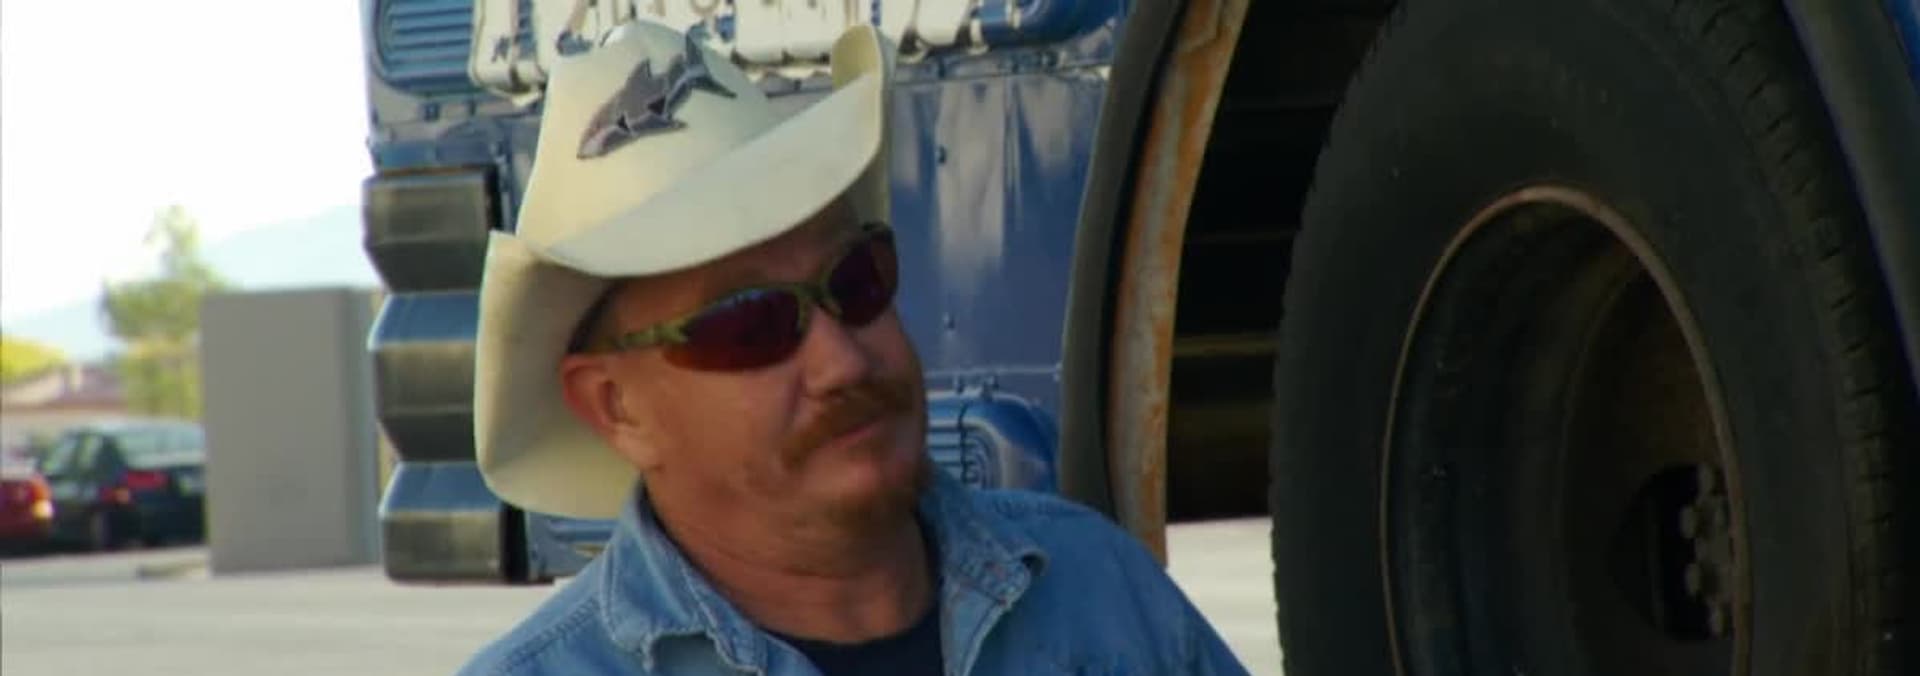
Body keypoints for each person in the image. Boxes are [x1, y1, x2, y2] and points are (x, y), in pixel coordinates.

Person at [459, 18, 1249, 676]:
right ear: (616, 407)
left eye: (857, 280)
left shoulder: (1100, 591)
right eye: (751, 323)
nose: (842, 360)